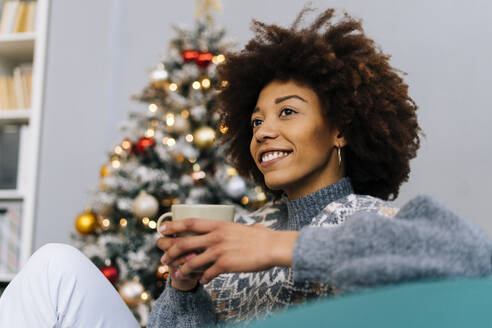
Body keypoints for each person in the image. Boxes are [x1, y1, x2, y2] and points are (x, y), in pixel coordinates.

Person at [0, 7, 491, 328]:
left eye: (288, 112)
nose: (264, 131)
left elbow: (472, 258)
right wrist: (185, 287)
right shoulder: (239, 233)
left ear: (340, 129)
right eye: (255, 120)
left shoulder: (369, 220)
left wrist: (280, 247)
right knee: (54, 268)